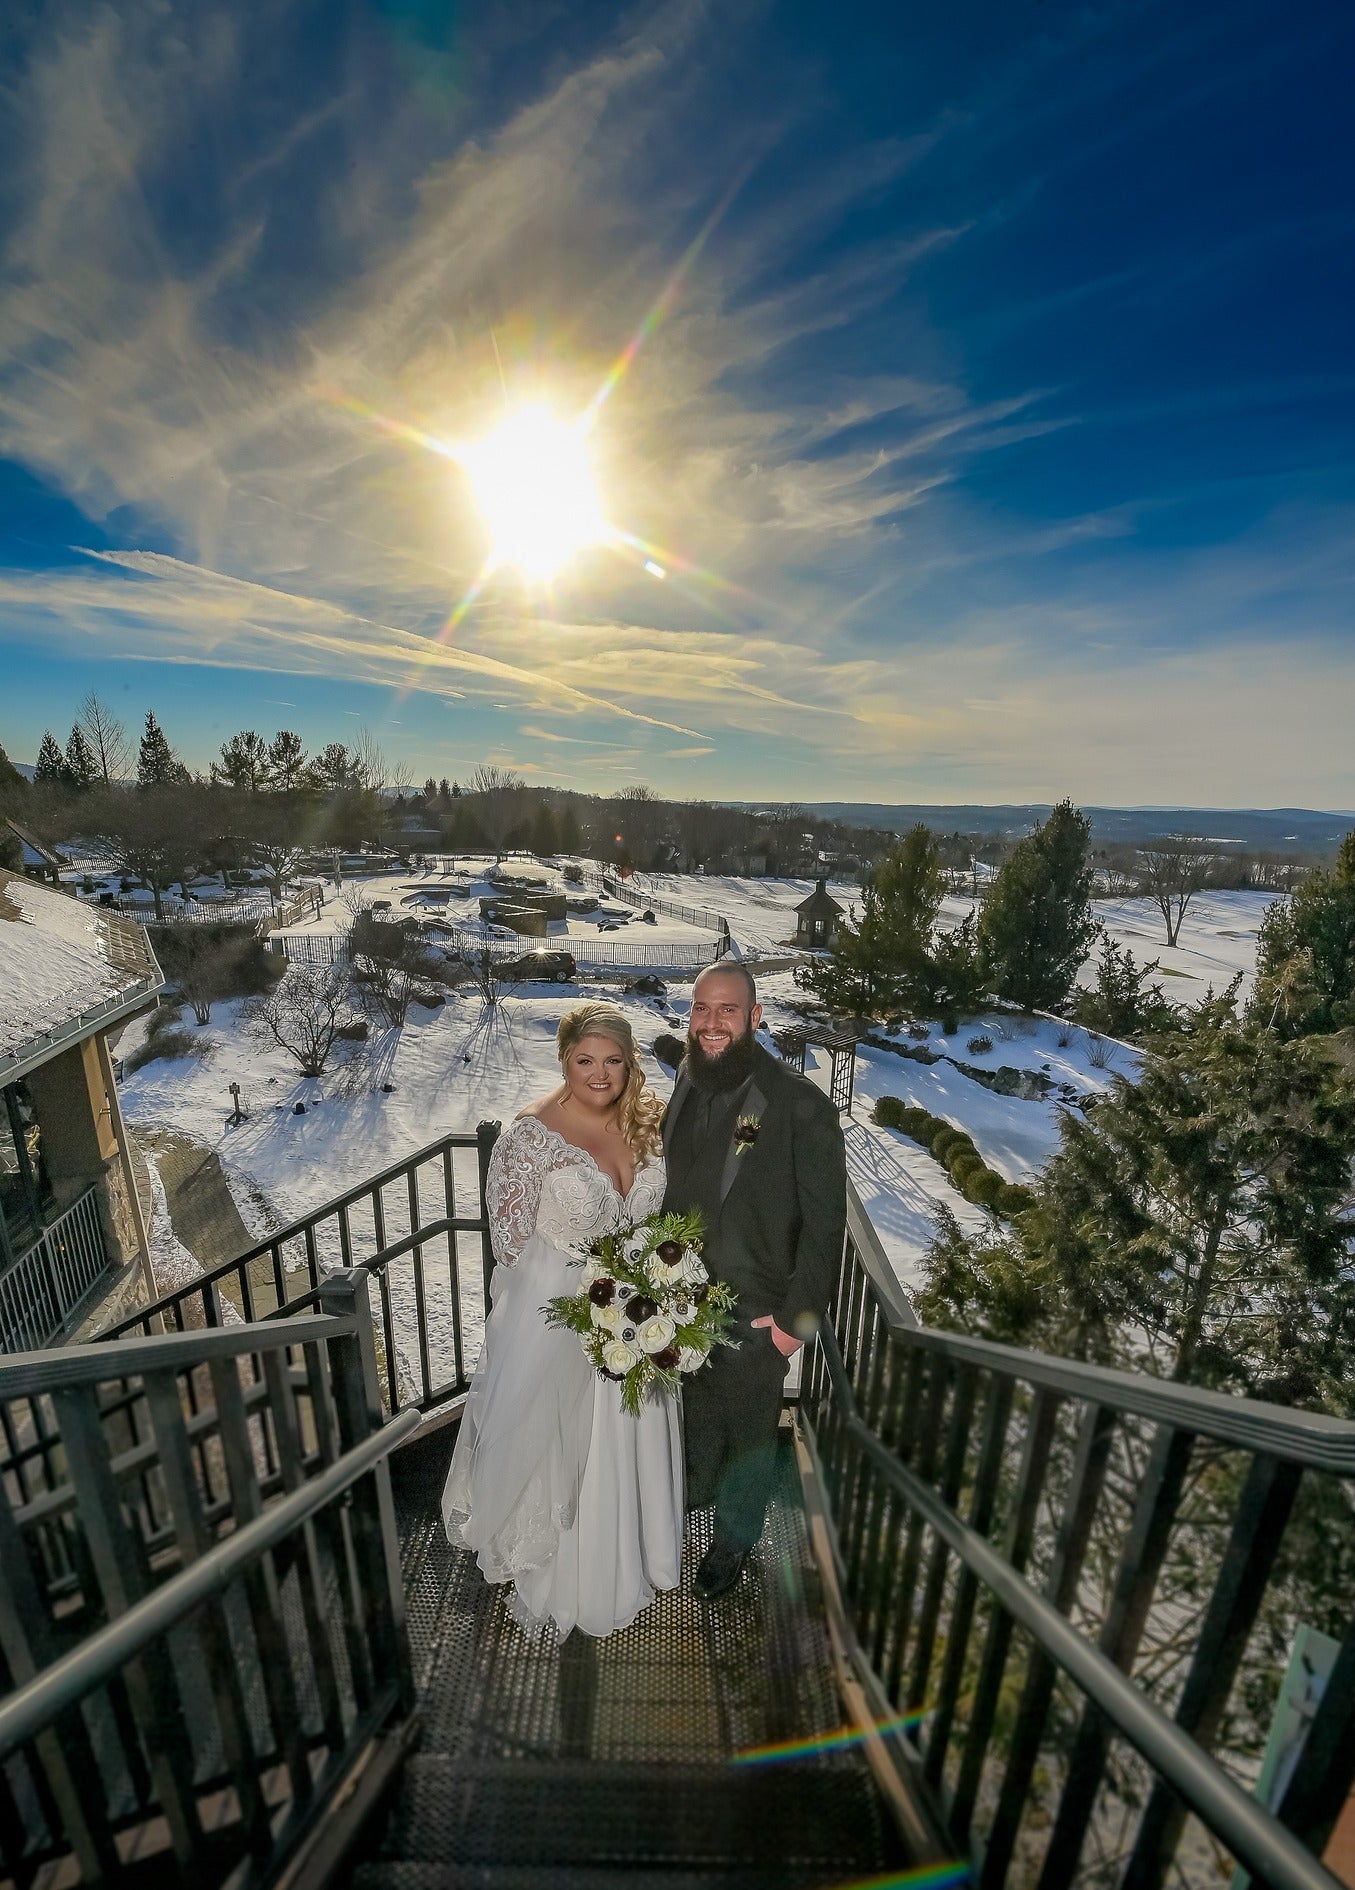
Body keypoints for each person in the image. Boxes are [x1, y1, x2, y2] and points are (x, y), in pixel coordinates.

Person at [442, 1002, 681, 1639]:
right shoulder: (530, 1137)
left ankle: (636, 1555)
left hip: (641, 1313)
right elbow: (512, 1245)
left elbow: (656, 1222)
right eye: (585, 1061)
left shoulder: (647, 1122)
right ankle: (575, 1574)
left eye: (613, 1061)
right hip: (563, 1317)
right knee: (570, 1449)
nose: (600, 1075)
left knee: (631, 1436)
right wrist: (569, 1313)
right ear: (564, 1061)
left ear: (629, 1064)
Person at [662, 963, 846, 1599]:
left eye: (728, 1011)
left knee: (747, 1438)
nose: (712, 1024)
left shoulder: (802, 1105)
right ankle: (692, 1510)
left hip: (757, 1317)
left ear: (755, 1016)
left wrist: (794, 1331)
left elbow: (826, 1231)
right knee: (697, 1423)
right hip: (682, 1308)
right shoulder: (687, 1078)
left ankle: (734, 1543)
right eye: (701, 1009)